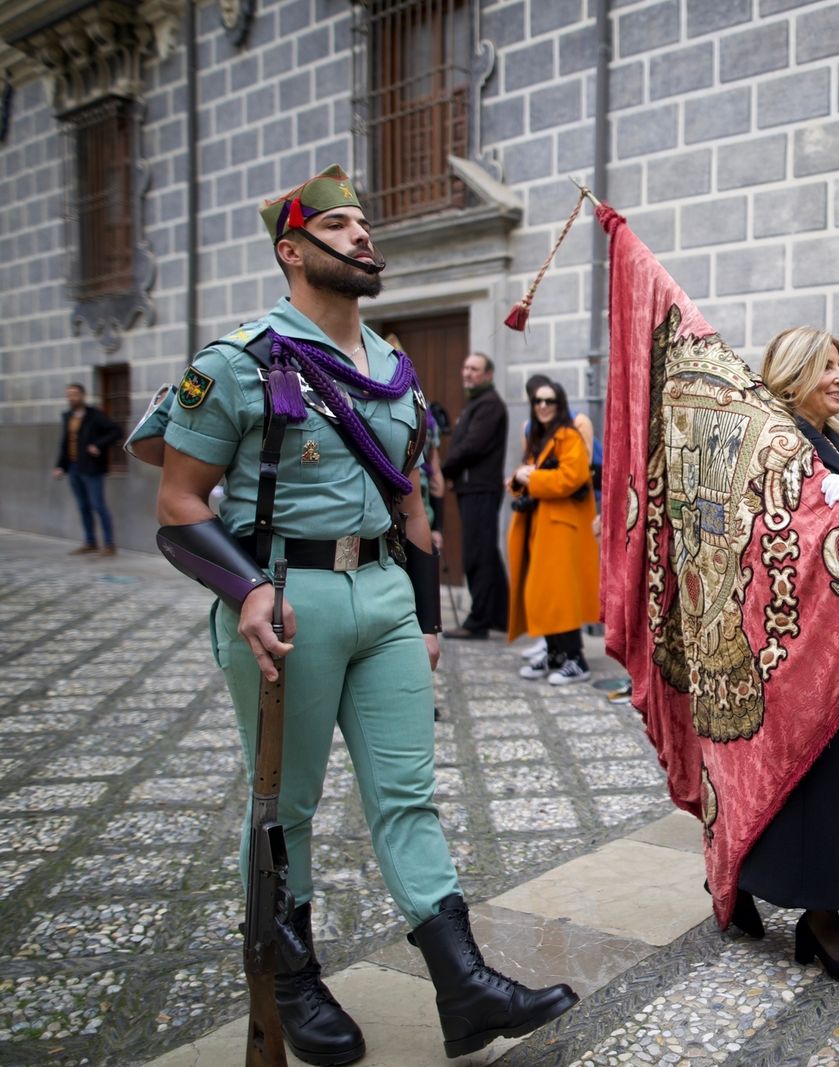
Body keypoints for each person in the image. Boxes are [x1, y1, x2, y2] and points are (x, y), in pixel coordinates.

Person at [151, 166, 576, 1064]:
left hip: (382, 594)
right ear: (292, 251)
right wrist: (247, 591)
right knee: (286, 805)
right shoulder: (242, 359)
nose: (361, 237)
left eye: (363, 224)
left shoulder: (393, 368)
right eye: (339, 226)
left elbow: (417, 511)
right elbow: (180, 505)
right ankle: (296, 982)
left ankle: (463, 984)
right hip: (283, 598)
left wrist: (422, 620)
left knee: (407, 795)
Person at [740, 325, 839, 984]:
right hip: (800, 648)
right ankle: (817, 916)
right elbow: (764, 540)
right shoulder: (776, 443)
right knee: (810, 781)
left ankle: (801, 903)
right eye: (827, 366)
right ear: (795, 372)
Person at [507, 376, 600, 685]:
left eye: (549, 401)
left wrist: (529, 479)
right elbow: (526, 479)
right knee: (542, 592)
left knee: (560, 593)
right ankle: (555, 652)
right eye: (538, 401)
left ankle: (576, 658)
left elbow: (570, 478)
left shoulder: (567, 436)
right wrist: (519, 479)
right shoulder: (541, 437)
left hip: (561, 528)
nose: (543, 406)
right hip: (541, 526)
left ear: (560, 405)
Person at [441, 352, 509, 639]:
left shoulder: (489, 405)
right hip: (472, 489)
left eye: (475, 369)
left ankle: (477, 622)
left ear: (488, 374)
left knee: (477, 556)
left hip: (481, 489)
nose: (467, 373)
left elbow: (472, 446)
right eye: (465, 367)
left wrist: (444, 468)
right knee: (486, 554)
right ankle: (500, 616)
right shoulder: (476, 404)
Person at [52, 382, 122, 556]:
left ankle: (109, 544)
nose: (71, 398)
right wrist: (60, 466)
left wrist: (97, 445)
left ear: (82, 395)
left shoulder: (94, 415)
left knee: (98, 505)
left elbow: (116, 432)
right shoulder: (68, 416)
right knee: (83, 506)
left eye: (74, 394)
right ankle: (90, 542)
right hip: (74, 467)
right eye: (69, 395)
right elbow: (65, 443)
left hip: (92, 468)